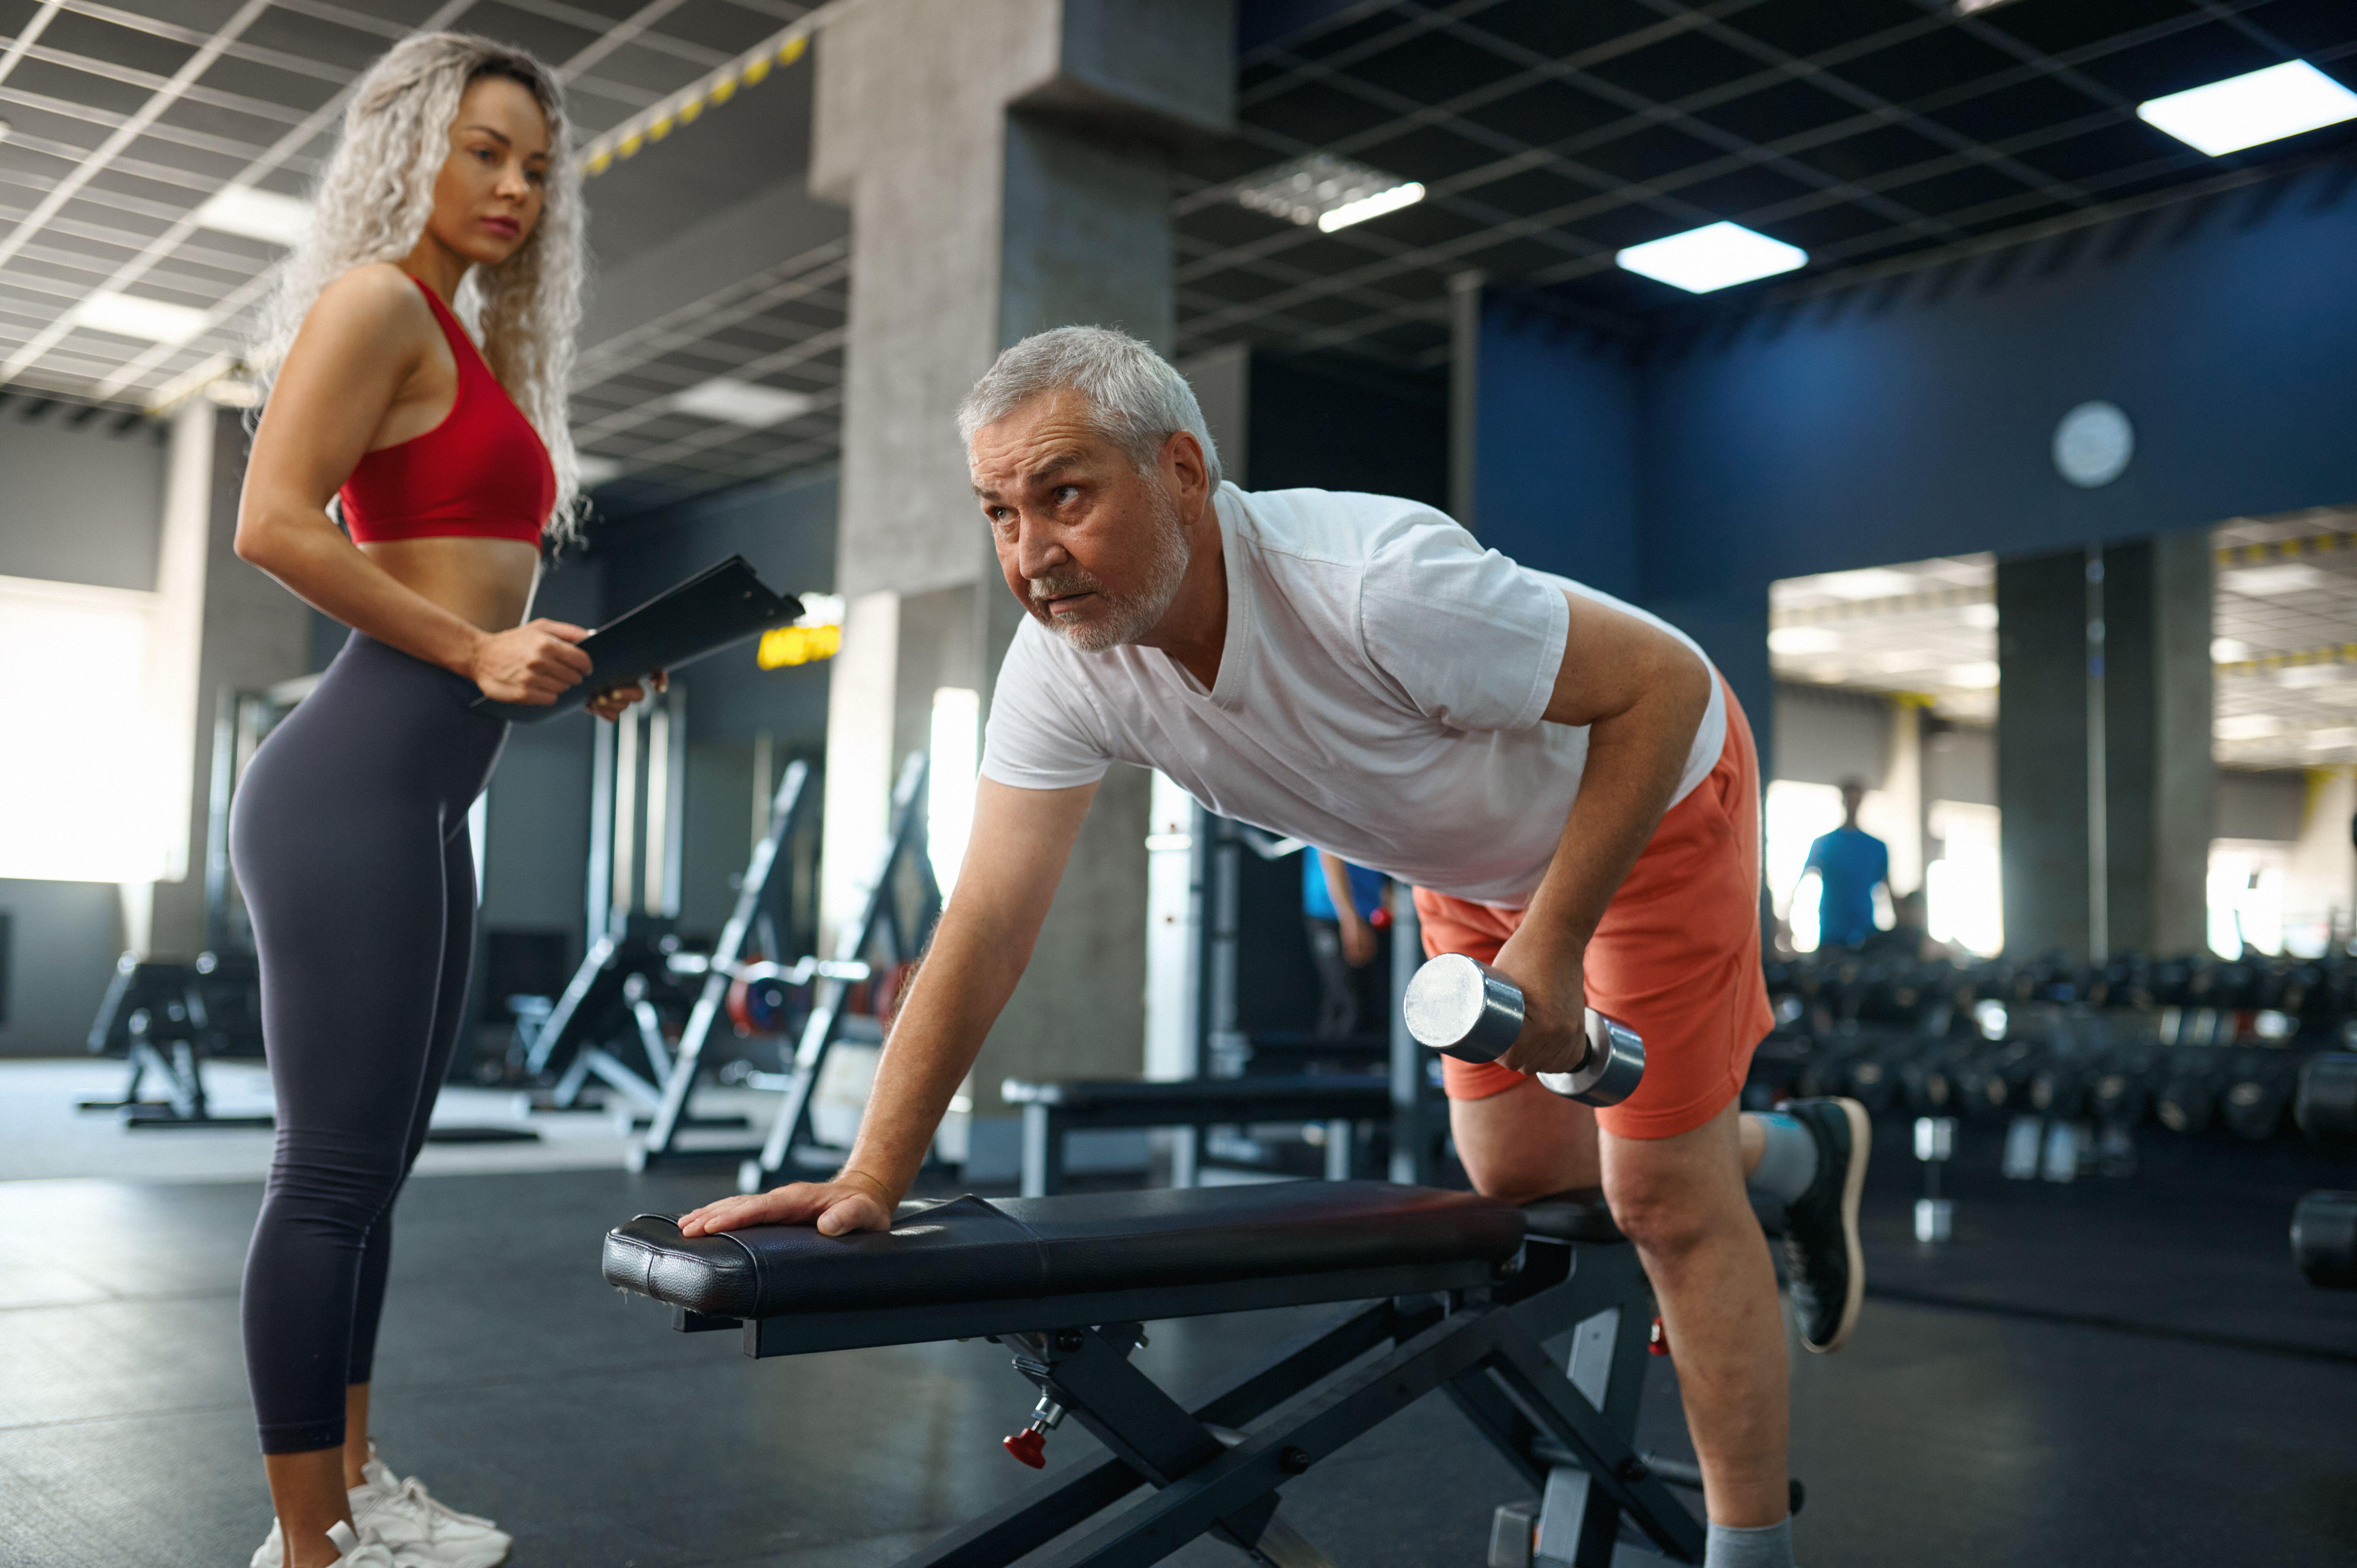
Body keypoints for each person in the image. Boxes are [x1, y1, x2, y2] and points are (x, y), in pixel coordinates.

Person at [678, 327, 1869, 1568]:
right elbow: (984, 918)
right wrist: (875, 1172)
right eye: (999, 512)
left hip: (1649, 797)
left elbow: (1664, 686)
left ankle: (1752, 1550)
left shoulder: (1372, 584)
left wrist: (1557, 939)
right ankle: (1793, 1152)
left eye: (1065, 494)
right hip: (1465, 858)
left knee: (1659, 1197)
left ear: (1183, 472)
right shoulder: (1065, 667)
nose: (1030, 554)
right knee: (1516, 1175)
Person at [231, 34, 649, 1568]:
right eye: (485, 149)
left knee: (375, 1177)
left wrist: (561, 662)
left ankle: (353, 1488)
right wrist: (481, 642)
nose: (517, 186)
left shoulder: (459, 341)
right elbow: (272, 523)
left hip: (429, 793)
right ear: (412, 144)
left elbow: (458, 577)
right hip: (347, 787)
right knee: (326, 1179)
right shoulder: (372, 304)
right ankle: (308, 1545)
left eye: (537, 165)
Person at [1302, 848, 1386, 1038]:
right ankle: (1332, 1064)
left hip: (1367, 913)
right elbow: (1330, 855)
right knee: (1346, 998)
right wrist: (1349, 919)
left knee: (1367, 998)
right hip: (1331, 915)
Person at [1801, 779, 1890, 950]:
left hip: (1865, 932)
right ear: (1843, 801)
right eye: (1849, 799)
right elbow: (1804, 882)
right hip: (1831, 931)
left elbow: (1888, 889)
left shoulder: (1877, 847)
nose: (1853, 805)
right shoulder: (1825, 844)